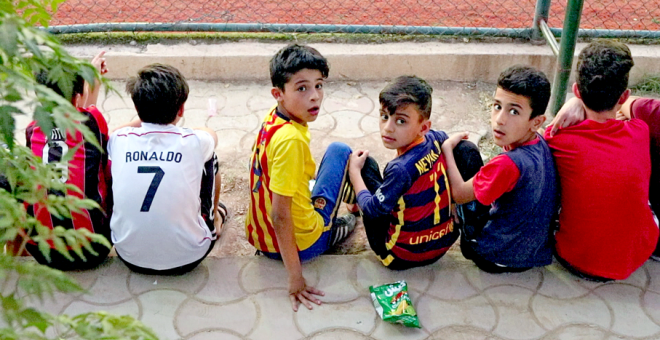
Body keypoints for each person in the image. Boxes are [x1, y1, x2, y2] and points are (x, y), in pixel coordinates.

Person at [245, 44, 357, 312]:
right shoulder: (291, 141)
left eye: (319, 85)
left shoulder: (273, 120)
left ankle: (348, 205)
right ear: (279, 94)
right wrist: (295, 278)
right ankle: (342, 222)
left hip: (261, 237)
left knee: (322, 169)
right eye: (302, 88)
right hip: (303, 244)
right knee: (343, 153)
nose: (315, 97)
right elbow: (280, 215)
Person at [544, 41, 658, 280]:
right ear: (624, 95)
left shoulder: (557, 138)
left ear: (576, 90)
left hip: (573, 257)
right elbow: (628, 111)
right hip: (635, 257)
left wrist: (574, 104)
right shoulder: (639, 131)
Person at [108, 64, 226, 275]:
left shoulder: (119, 139)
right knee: (210, 157)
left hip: (129, 255)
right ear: (181, 109)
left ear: (137, 108)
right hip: (188, 258)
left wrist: (144, 115)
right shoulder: (194, 141)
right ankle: (214, 217)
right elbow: (211, 134)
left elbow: (117, 130)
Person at [443, 65, 558, 273]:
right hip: (531, 254)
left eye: (514, 111)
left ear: (536, 121)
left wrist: (447, 150)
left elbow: (459, 194)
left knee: (464, 151)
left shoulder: (507, 164)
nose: (500, 119)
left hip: (495, 256)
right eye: (497, 106)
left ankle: (456, 224)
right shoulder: (540, 139)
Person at [348, 76, 461, 270]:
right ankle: (355, 202)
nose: (388, 128)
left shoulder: (400, 169)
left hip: (400, 256)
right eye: (384, 116)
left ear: (423, 127)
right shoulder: (435, 138)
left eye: (400, 121)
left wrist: (354, 173)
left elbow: (373, 212)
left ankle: (353, 202)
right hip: (443, 244)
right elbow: (445, 138)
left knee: (365, 165)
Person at [24, 51, 113, 270]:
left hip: (43, 252)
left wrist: (89, 81)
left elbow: (83, 111)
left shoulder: (33, 129)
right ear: (78, 96)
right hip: (93, 250)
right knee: (108, 169)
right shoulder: (93, 121)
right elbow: (88, 113)